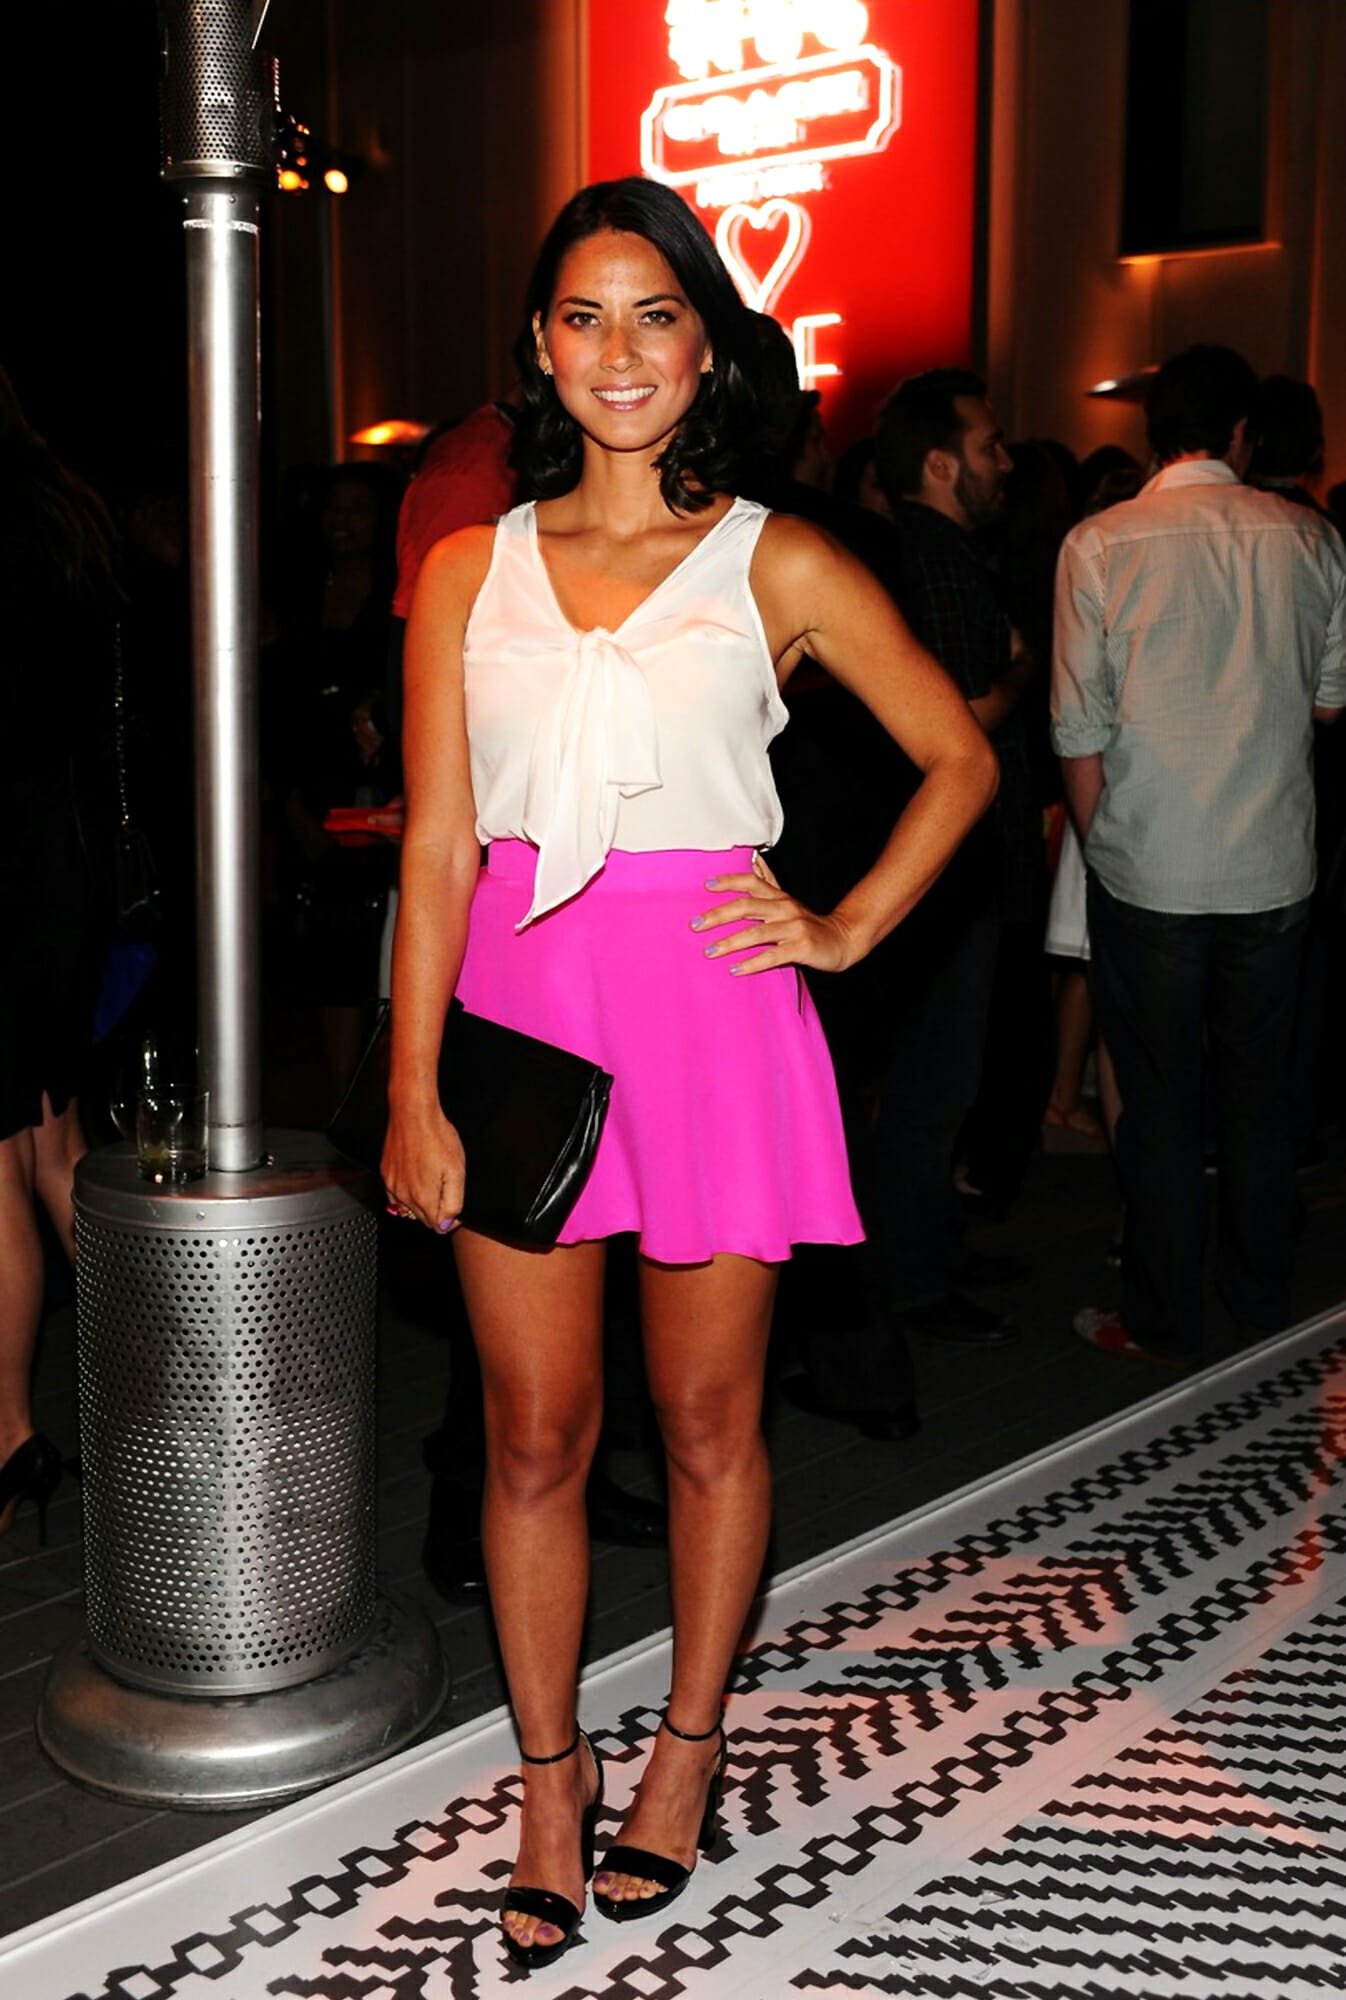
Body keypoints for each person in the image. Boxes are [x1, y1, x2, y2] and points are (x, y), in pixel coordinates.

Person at [381, 177, 997, 1972]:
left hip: (716, 1023)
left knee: (713, 1424)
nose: (620, 350)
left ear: (707, 345)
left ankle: (686, 1751)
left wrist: (845, 926)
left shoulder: (774, 560)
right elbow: (436, 846)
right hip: (518, 1022)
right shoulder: (467, 568)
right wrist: (408, 1087)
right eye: (584, 315)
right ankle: (549, 1778)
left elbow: (960, 754)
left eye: (656, 313)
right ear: (539, 346)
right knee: (532, 1434)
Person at [1054, 344, 1346, 1364]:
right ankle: (1258, 1305)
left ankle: (1162, 1317)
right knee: (1262, 1099)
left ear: (1153, 433)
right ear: (1241, 434)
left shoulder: (1097, 541)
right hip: (1272, 865)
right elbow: (1328, 702)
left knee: (1159, 1104)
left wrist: (1103, 847)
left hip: (1148, 867)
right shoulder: (1311, 539)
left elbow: (1076, 729)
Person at [867, 370, 1033, 1338]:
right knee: (933, 1077)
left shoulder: (945, 553)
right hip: (945, 865)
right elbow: (959, 717)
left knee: (945, 1075)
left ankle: (930, 1248)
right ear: (938, 463)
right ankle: (913, 1278)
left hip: (961, 861)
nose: (1004, 460)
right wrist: (1022, 668)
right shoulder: (924, 559)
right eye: (988, 444)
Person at [0, 369, 117, 1537]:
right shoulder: (61, 515)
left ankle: (8, 1437)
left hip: (6, 860)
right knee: (53, 1143)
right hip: (55, 858)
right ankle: (172, 1378)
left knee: (2, 1160)